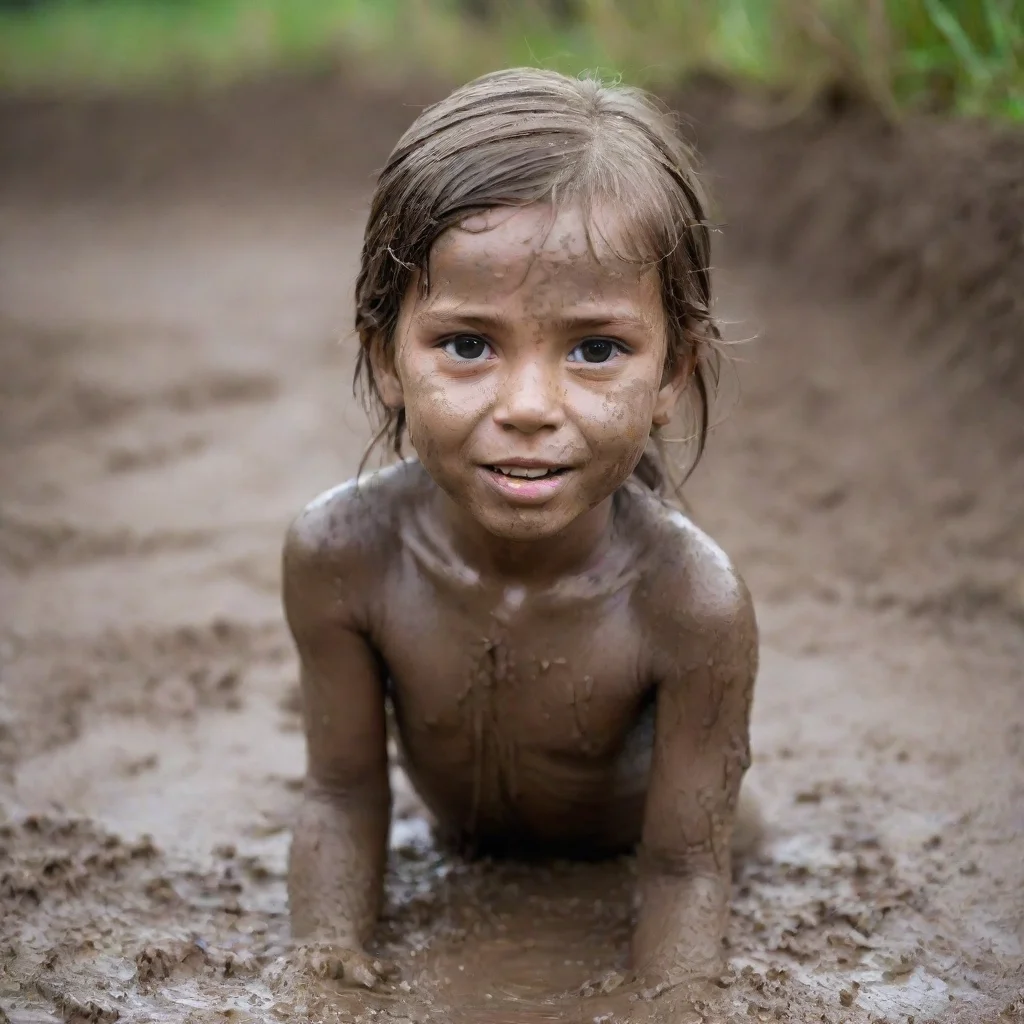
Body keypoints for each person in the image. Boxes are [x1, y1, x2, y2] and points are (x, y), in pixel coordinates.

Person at [282, 67, 758, 994]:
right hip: (459, 845)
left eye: (595, 349)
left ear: (670, 375)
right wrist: (322, 965)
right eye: (467, 344)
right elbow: (340, 795)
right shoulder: (343, 558)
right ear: (386, 356)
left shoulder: (689, 605)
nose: (529, 407)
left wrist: (675, 1006)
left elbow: (685, 869)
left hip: (640, 848)